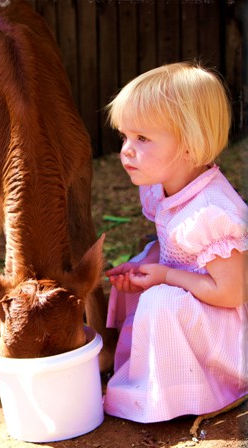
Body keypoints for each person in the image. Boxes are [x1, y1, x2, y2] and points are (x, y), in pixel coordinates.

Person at [103, 62, 248, 423]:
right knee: (145, 271)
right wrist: (148, 264)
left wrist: (166, 276)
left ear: (189, 143)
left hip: (228, 334)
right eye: (125, 137)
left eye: (143, 139)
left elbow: (232, 293)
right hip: (197, 297)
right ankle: (145, 372)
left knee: (160, 300)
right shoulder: (163, 188)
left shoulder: (210, 212)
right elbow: (167, 246)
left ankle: (193, 391)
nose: (126, 151)